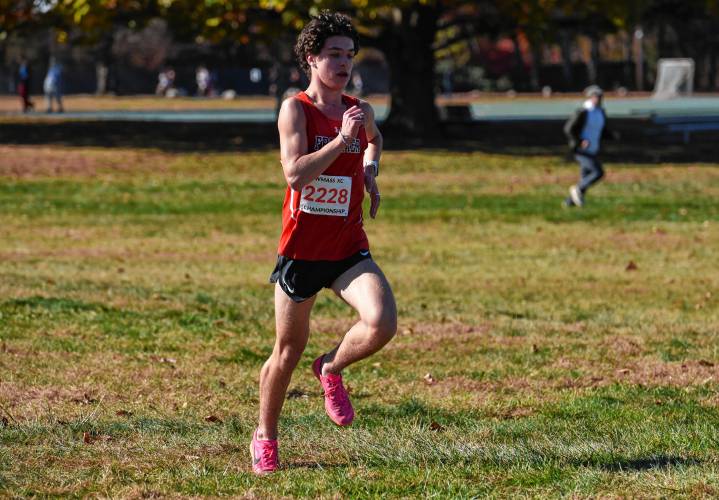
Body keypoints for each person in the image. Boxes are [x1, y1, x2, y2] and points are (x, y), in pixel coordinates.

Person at [250, 11, 397, 475]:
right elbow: (295, 174)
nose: (343, 63)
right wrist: (340, 141)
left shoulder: (360, 111)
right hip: (301, 253)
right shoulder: (295, 109)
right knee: (286, 351)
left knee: (381, 322)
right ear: (311, 59)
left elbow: (374, 139)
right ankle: (266, 436)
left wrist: (369, 169)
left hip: (348, 248)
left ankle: (331, 369)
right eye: (333, 54)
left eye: (349, 55)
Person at [563, 85, 617, 207]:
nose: (598, 99)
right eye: (596, 96)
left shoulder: (600, 112)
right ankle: (577, 189)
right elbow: (568, 129)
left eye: (600, 96)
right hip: (582, 151)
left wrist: (613, 136)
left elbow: (601, 130)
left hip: (593, 149)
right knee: (598, 172)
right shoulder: (583, 112)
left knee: (585, 178)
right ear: (590, 97)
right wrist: (579, 141)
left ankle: (569, 202)